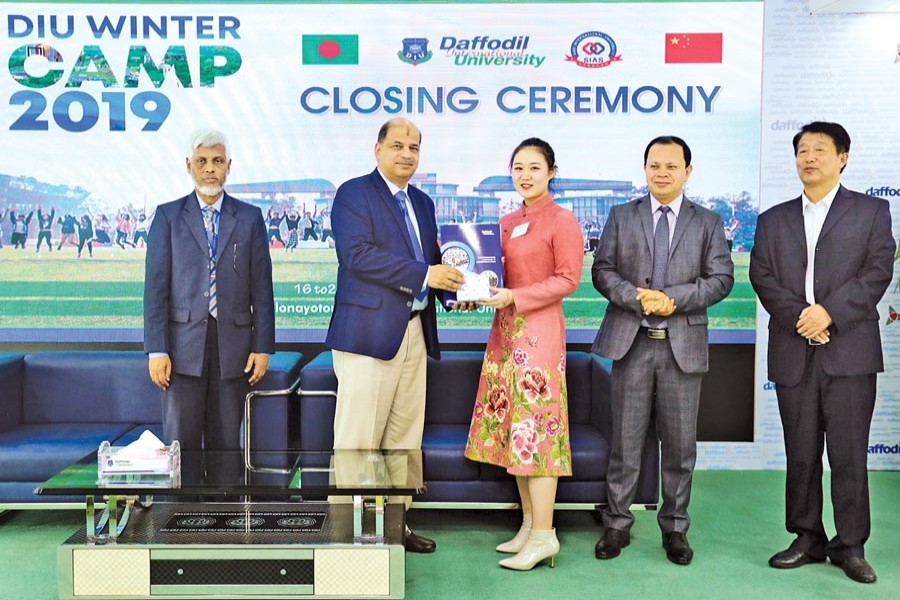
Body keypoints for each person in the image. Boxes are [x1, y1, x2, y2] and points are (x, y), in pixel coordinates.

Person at [749, 122, 894, 584]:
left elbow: (876, 273)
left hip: (849, 350)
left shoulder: (872, 211)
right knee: (802, 452)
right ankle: (806, 537)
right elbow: (762, 275)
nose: (808, 158)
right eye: (802, 151)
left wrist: (828, 313)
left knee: (849, 454)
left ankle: (850, 546)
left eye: (819, 150)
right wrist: (803, 317)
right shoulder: (773, 218)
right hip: (795, 349)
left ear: (842, 157)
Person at [591, 136, 734, 565]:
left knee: (679, 446)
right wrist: (638, 298)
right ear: (645, 168)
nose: (662, 173)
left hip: (682, 348)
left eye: (672, 166)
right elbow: (602, 270)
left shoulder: (708, 221)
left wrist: (672, 298)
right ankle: (616, 524)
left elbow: (721, 278)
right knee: (625, 441)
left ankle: (675, 528)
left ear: (688, 171)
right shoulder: (621, 215)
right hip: (631, 344)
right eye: (655, 165)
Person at [325, 118, 464, 554]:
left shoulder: (422, 202)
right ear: (378, 149)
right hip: (367, 337)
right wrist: (427, 273)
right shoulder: (353, 194)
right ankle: (347, 534)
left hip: (415, 334)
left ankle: (395, 527)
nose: (406, 153)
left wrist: (457, 292)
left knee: (405, 440)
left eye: (414, 147)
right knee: (357, 440)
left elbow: (433, 260)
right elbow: (359, 256)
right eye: (398, 145)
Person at [463, 138, 584, 571]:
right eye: (518, 167)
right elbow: (490, 274)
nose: (525, 175)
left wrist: (516, 295)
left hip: (540, 338)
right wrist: (475, 291)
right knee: (517, 431)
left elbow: (569, 279)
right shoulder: (508, 220)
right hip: (505, 336)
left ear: (552, 172)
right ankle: (529, 525)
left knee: (539, 433)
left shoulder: (562, 220)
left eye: (535, 167)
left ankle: (544, 535)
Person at [144, 129, 275, 452]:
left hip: (235, 350)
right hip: (180, 348)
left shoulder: (249, 218)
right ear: (189, 166)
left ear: (229, 166)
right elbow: (155, 290)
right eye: (202, 161)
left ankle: (223, 505)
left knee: (226, 446)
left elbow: (262, 289)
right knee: (180, 446)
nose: (210, 169)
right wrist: (156, 349)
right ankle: (179, 507)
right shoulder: (168, 217)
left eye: (217, 161)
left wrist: (263, 347)